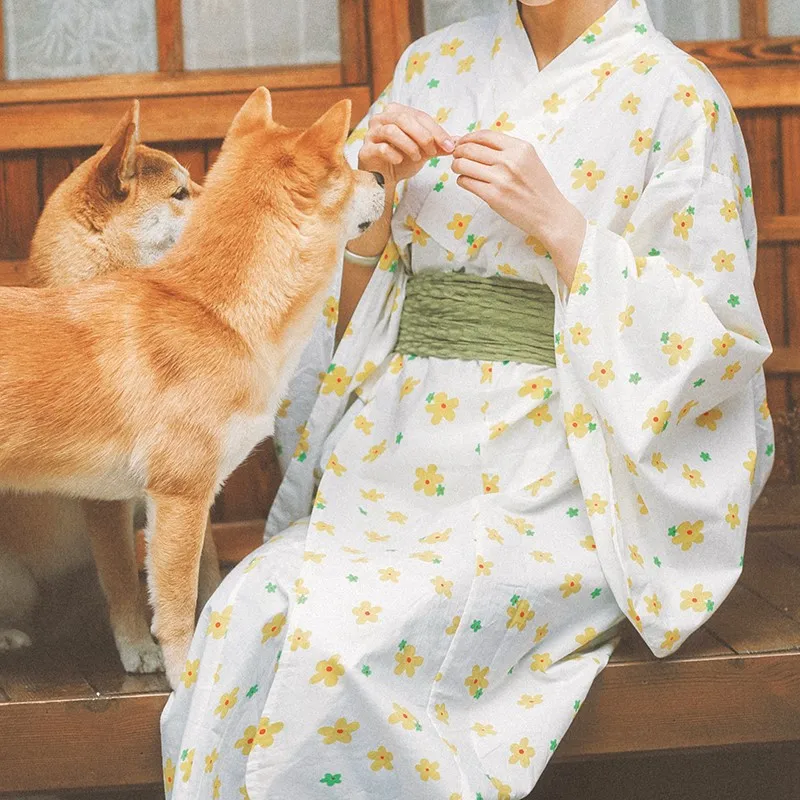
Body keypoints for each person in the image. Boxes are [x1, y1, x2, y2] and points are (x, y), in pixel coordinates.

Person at [161, 1, 774, 797]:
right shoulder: (431, 66)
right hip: (397, 453)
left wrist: (564, 227)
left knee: (355, 640)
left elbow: (712, 335)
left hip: (558, 471)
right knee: (253, 611)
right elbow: (351, 295)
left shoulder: (676, 95)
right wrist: (374, 196)